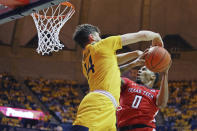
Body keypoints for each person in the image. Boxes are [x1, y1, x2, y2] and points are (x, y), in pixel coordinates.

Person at [72, 23, 164, 131]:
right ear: (92, 36)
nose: (100, 38)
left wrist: (135, 58)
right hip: (99, 103)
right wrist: (156, 36)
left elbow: (114, 62)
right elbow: (141, 35)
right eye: (98, 35)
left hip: (109, 108)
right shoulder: (103, 45)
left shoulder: (86, 61)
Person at [116, 53, 171, 131]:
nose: (139, 71)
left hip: (145, 128)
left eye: (144, 69)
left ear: (153, 77)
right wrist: (133, 63)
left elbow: (162, 103)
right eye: (140, 69)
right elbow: (111, 74)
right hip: (122, 128)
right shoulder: (128, 83)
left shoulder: (156, 92)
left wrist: (165, 74)